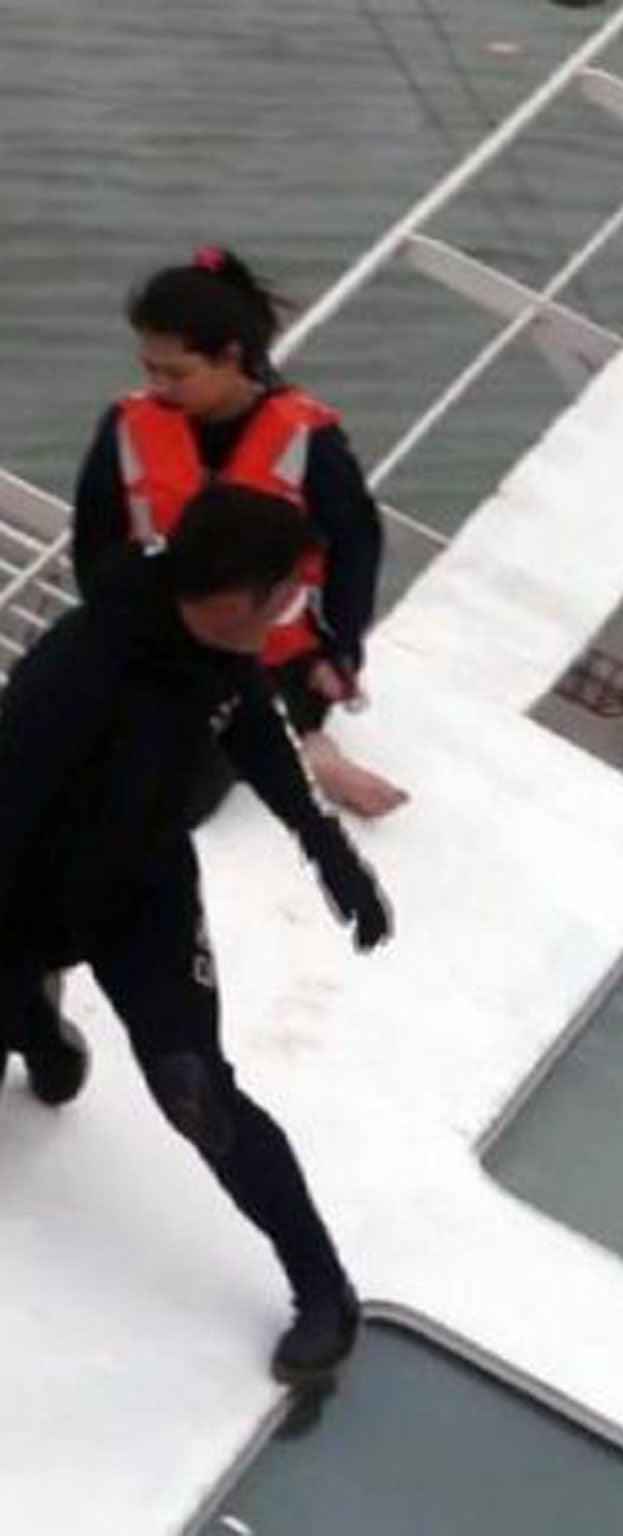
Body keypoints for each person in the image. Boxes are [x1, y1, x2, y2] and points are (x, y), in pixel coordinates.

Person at [0, 487, 391, 1384]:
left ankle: (323, 1289)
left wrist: (327, 848)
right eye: (286, 598)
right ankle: (38, 1031)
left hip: (142, 897)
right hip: (22, 890)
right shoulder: (80, 672)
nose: (290, 618)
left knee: (195, 1092)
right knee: (16, 1007)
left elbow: (252, 727)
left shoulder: (217, 646)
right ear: (230, 597)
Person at [72, 246, 407, 820]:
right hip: (154, 633)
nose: (157, 385)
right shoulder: (126, 426)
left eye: (176, 373)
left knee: (182, 769)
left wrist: (340, 648)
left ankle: (310, 748)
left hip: (268, 651)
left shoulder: (310, 441)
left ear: (231, 358)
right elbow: (94, 542)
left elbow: (355, 544)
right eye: (148, 368)